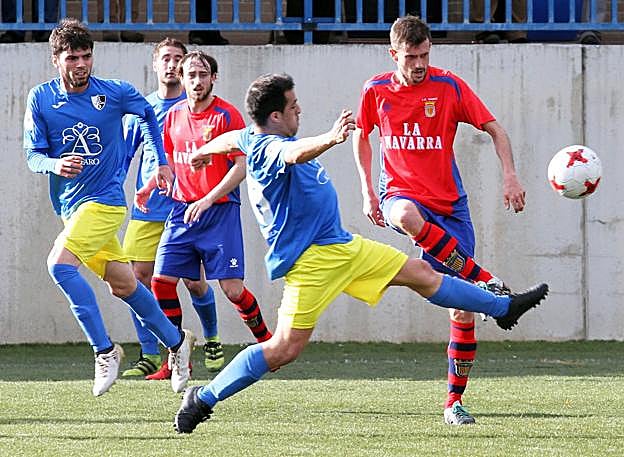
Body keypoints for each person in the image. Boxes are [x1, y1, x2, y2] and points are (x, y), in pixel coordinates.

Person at [172, 72, 548, 434]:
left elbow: (231, 140)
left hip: (343, 247)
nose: (299, 109)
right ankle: (202, 398)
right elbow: (294, 154)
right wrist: (331, 138)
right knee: (283, 349)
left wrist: (204, 150)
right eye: (293, 106)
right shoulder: (271, 148)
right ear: (275, 117)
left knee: (422, 274)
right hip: (313, 262)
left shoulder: (251, 137)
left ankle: (503, 307)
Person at [352, 15, 529, 425]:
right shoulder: (375, 90)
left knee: (462, 312)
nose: (419, 64)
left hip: (450, 209)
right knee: (405, 214)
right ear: (393, 54)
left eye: (425, 55)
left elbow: (496, 130)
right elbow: (362, 135)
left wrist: (510, 175)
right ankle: (488, 280)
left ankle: (454, 403)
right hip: (400, 196)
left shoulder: (448, 86)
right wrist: (367, 191)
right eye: (410, 57)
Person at [23, 18, 194, 396]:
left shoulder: (115, 92)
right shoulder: (41, 99)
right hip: (70, 208)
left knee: (59, 266)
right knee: (124, 284)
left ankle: (104, 350)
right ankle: (177, 342)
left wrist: (161, 161)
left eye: (86, 56)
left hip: (105, 202)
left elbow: (147, 115)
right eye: (72, 58)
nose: (81, 64)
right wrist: (55, 164)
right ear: (56, 60)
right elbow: (33, 155)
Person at [134, 50, 273, 380]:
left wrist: (209, 199)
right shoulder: (173, 116)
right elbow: (170, 162)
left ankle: (269, 344)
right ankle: (176, 356)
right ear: (182, 80)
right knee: (161, 283)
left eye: (203, 75)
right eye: (191, 75)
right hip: (182, 211)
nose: (197, 81)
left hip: (219, 212)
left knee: (233, 290)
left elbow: (242, 166)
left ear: (214, 78)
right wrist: (150, 186)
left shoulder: (227, 116)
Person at [121, 38, 224, 378]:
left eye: (177, 58)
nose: (171, 64)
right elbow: (126, 154)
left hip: (185, 207)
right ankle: (151, 353)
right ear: (155, 64)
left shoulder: (194, 107)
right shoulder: (143, 108)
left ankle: (211, 338)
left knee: (193, 283)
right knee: (137, 280)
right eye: (165, 58)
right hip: (148, 208)